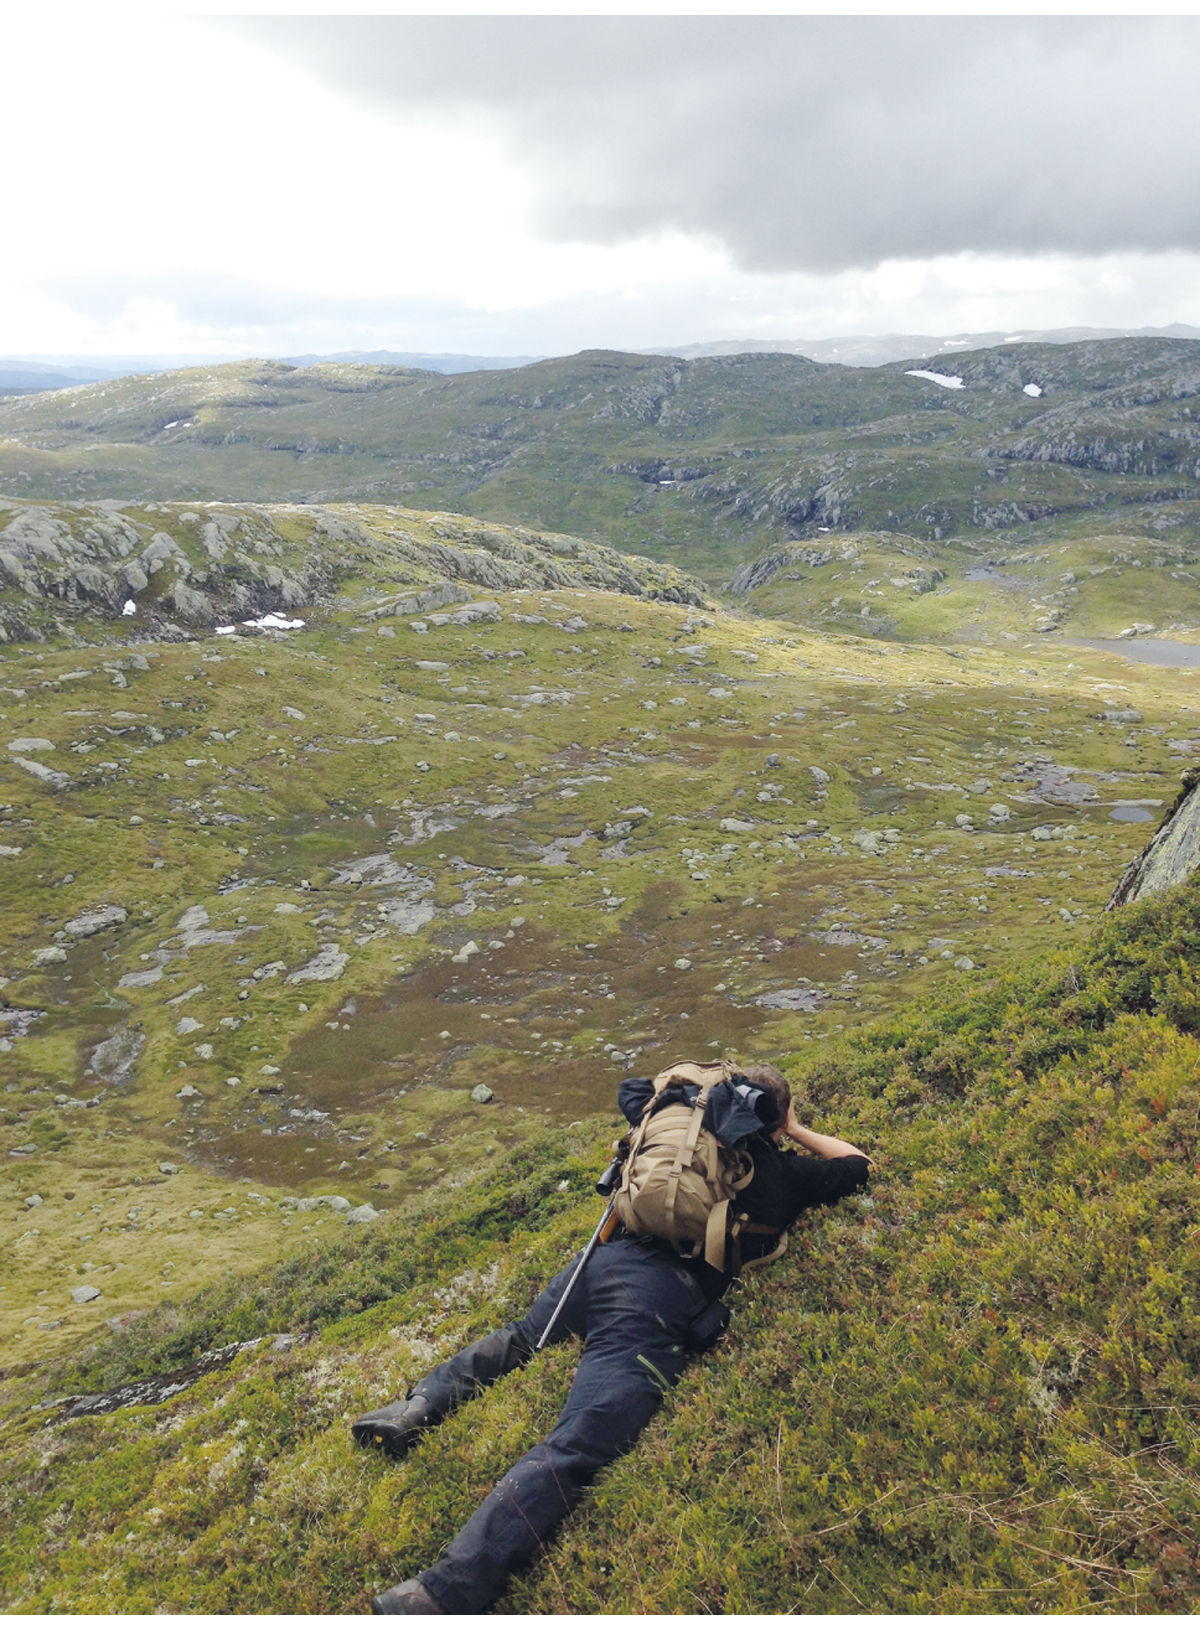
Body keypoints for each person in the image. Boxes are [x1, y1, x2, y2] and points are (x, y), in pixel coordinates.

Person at [355, 1060, 870, 1615]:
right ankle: (439, 1594)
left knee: (524, 1338)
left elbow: (634, 1108)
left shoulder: (673, 1127)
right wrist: (793, 1129)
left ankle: (415, 1407)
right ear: (773, 1117)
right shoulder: (778, 1171)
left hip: (599, 1261)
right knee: (578, 1444)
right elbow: (858, 1165)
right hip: (655, 1297)